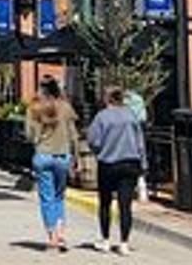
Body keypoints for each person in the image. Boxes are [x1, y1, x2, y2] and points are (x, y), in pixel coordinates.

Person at [86, 86, 146, 254]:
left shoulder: (102, 117)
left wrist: (99, 151)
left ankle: (105, 239)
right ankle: (124, 242)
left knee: (105, 203)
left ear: (108, 99)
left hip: (108, 163)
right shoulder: (131, 116)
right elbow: (140, 143)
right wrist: (143, 165)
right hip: (130, 162)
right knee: (125, 205)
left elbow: (93, 140)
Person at [25, 77, 80, 251]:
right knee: (59, 195)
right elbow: (73, 135)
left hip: (42, 155)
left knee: (46, 197)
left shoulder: (34, 108)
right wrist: (76, 157)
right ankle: (61, 232)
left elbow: (29, 135)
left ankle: (52, 236)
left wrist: (38, 137)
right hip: (62, 155)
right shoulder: (66, 107)